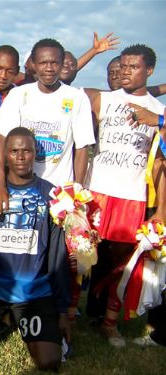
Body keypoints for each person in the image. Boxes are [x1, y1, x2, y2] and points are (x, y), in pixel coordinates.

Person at [0, 127, 70, 371]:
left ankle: (14, 317)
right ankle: (4, 317)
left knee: (49, 361)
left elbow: (58, 256)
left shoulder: (52, 196)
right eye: (14, 151)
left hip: (33, 291)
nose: (20, 156)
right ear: (4, 155)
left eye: (26, 150)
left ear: (35, 153)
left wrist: (63, 310)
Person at [85, 44, 166, 347]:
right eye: (123, 66)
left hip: (131, 195)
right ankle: (68, 314)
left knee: (122, 261)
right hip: (96, 190)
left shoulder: (159, 112)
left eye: (133, 67)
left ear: (149, 70)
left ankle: (109, 322)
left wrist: (161, 211)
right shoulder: (102, 99)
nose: (125, 72)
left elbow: (161, 163)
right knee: (80, 255)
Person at [0, 38, 95, 214]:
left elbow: (82, 149)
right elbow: (1, 143)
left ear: (62, 64)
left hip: (60, 194)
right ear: (33, 64)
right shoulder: (18, 95)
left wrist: (76, 191)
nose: (49, 68)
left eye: (54, 63)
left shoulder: (77, 98)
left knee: (55, 241)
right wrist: (0, 185)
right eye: (43, 62)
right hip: (20, 189)